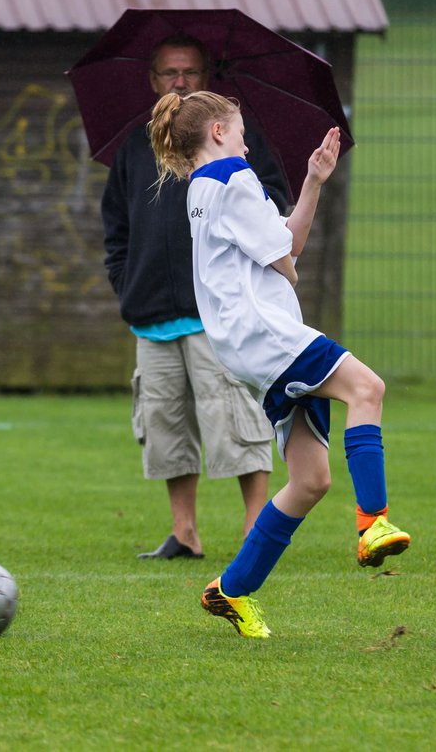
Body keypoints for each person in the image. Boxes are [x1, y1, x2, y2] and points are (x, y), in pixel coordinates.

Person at [147, 89, 411, 638]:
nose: (247, 143)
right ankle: (373, 524)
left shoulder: (203, 188)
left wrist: (313, 180)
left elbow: (287, 245)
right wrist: (286, 266)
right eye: (241, 131)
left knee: (310, 480)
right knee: (368, 388)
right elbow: (286, 261)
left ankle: (231, 590)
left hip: (244, 345)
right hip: (265, 332)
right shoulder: (233, 180)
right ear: (218, 131)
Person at [101, 34, 290, 561]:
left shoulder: (232, 146)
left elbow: (272, 206)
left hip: (218, 316)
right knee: (165, 428)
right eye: (168, 73)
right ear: (153, 81)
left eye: (189, 72)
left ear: (207, 79)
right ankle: (184, 533)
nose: (179, 81)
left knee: (235, 420)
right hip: (152, 318)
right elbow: (115, 229)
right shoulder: (134, 150)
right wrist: (127, 281)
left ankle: (256, 529)